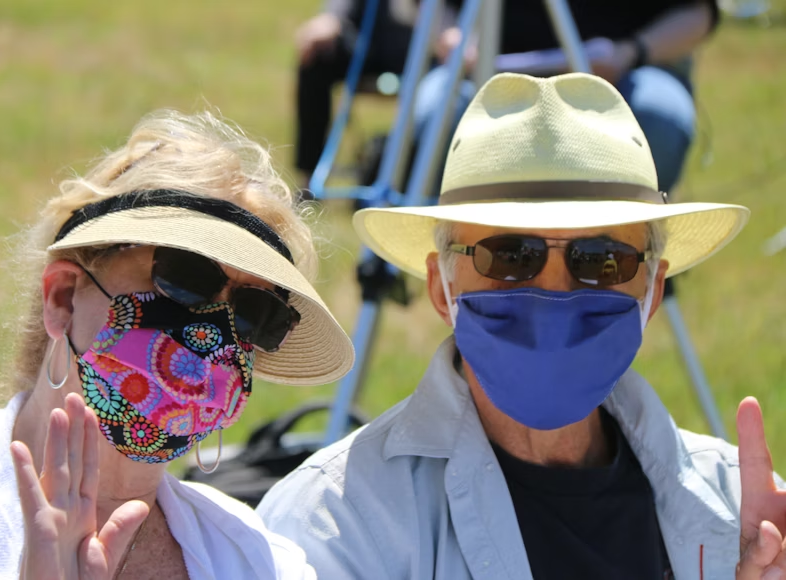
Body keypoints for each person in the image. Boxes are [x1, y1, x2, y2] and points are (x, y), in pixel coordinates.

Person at [258, 73, 786, 578]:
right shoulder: (338, 525)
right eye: (510, 255)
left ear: (652, 292)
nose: (555, 291)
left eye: (601, 260)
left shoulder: (739, 510)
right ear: (442, 288)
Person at [0, 109, 355, 579]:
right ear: (62, 298)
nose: (213, 335)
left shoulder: (259, 560)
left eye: (254, 313)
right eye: (185, 278)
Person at [414, 0, 718, 198]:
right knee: (435, 113)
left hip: (623, 69)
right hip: (483, 73)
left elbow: (697, 12)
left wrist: (631, 51)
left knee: (659, 117)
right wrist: (452, 39)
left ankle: (626, 246)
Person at [294, 0, 414, 189]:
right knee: (317, 57)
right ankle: (309, 180)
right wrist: (331, 19)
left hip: (426, 41)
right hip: (368, 40)